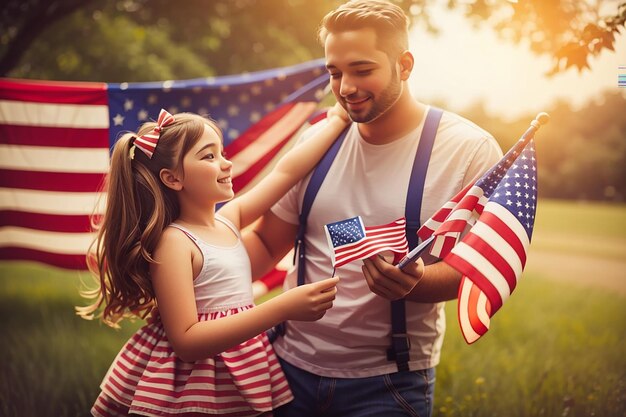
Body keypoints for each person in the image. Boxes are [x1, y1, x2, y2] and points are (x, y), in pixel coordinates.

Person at [243, 1, 504, 416]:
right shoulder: (317, 140)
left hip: (389, 385)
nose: (345, 87)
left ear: (404, 64)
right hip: (285, 368)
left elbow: (477, 267)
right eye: (334, 72)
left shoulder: (467, 150)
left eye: (362, 70)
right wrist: (193, 275)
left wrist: (416, 281)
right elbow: (264, 241)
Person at [77, 105, 350, 417]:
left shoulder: (229, 220)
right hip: (195, 384)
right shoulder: (175, 242)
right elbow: (187, 340)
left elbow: (285, 173)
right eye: (209, 156)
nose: (226, 163)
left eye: (222, 153)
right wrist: (282, 308)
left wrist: (336, 122)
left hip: (241, 371)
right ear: (173, 178)